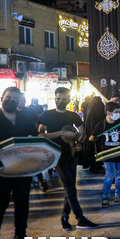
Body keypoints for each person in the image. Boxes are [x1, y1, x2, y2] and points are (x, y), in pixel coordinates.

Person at [38, 87, 98, 230]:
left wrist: (78, 144)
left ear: (68, 99)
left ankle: (64, 218)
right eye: (58, 98)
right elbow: (40, 135)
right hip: (56, 155)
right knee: (70, 188)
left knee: (70, 188)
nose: (60, 101)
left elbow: (82, 133)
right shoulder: (47, 115)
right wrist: (61, 133)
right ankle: (80, 219)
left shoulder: (73, 116)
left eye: (63, 99)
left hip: (71, 155)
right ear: (55, 98)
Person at [0, 88, 39, 239]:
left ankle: (20, 236)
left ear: (19, 102)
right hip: (1, 171)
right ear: (2, 98)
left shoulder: (25, 118)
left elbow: (35, 138)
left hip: (23, 170)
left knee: (22, 204)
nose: (11, 101)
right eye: (8, 97)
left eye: (15, 99)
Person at [90, 102, 120, 207]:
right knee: (109, 176)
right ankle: (105, 197)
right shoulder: (101, 124)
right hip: (108, 154)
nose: (118, 114)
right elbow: (92, 137)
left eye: (119, 112)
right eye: (116, 112)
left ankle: (119, 195)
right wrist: (92, 138)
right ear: (108, 112)